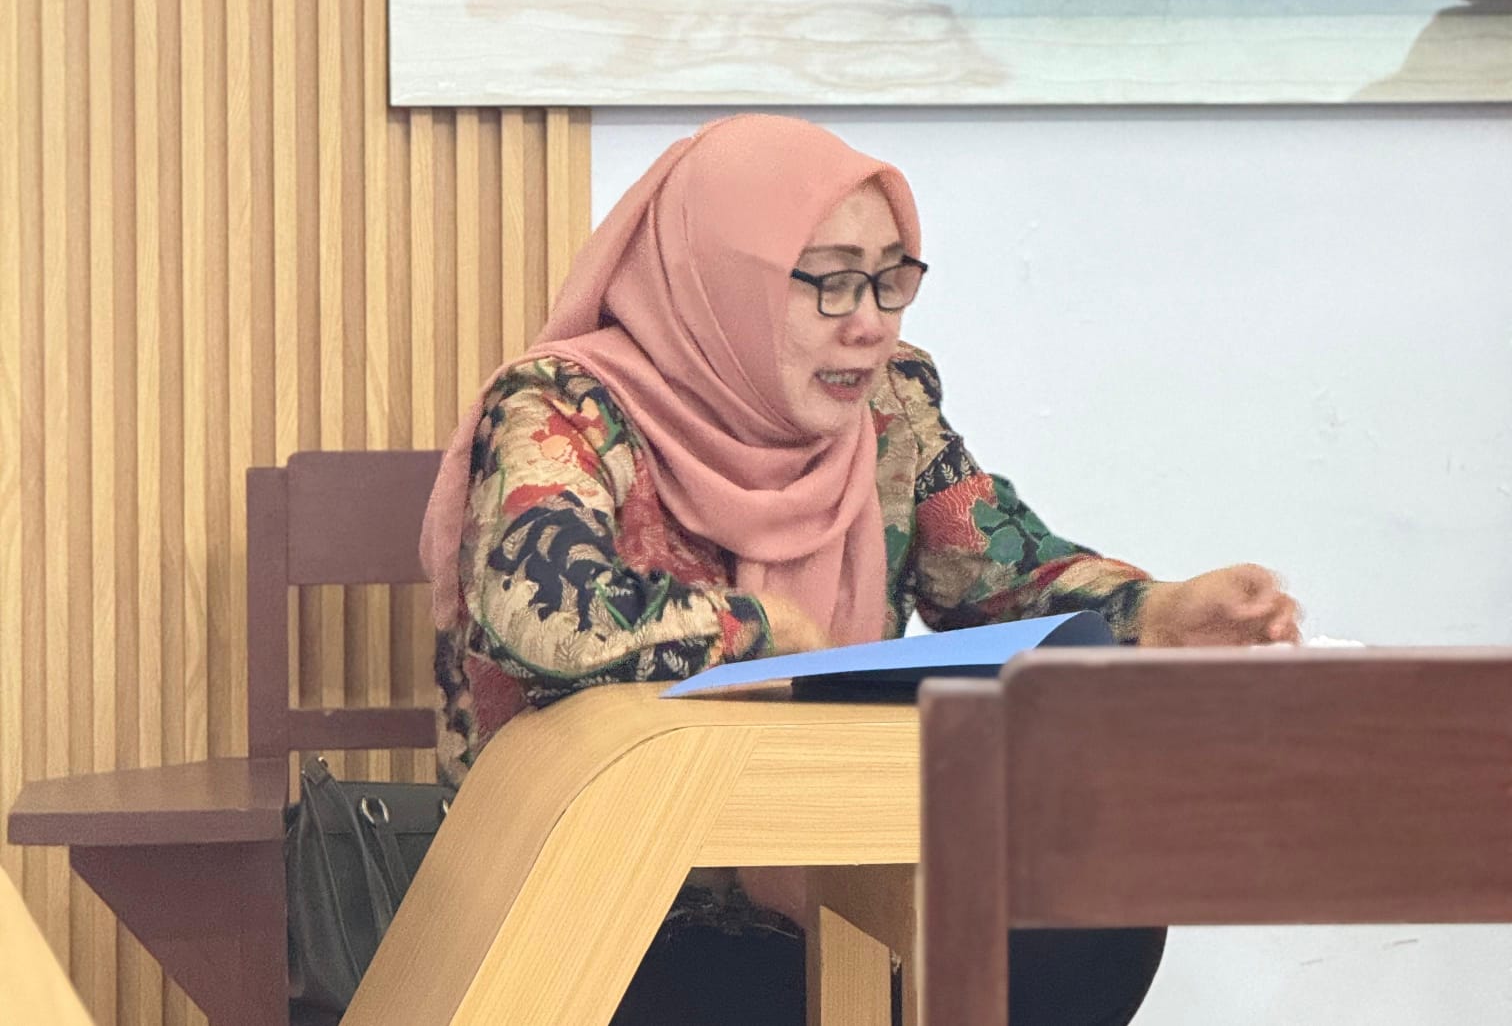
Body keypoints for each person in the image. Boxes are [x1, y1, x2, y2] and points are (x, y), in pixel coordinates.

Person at [421, 114, 1300, 1026]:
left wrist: (1154, 613)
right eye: (832, 283)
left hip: (840, 866)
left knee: (1091, 909)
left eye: (890, 280)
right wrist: (758, 632)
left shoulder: (886, 406)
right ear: (722, 275)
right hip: (607, 890)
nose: (870, 324)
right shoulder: (563, 407)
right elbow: (538, 610)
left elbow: (998, 571)